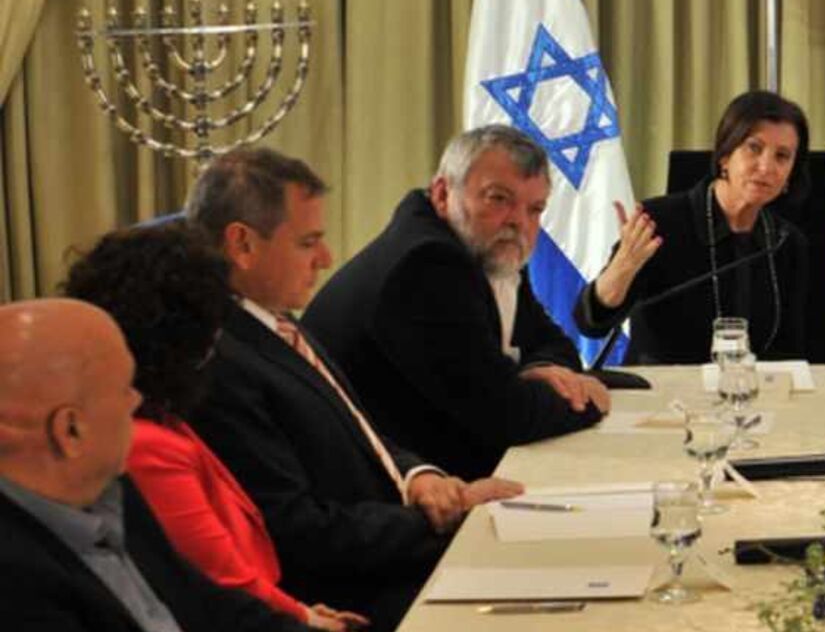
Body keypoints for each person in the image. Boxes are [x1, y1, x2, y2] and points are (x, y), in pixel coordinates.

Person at [183, 148, 522, 632]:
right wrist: (444, 516)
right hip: (355, 600)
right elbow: (298, 531)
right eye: (308, 242)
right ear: (242, 244)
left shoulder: (273, 323)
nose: (326, 258)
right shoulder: (219, 360)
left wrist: (418, 476)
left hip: (391, 559)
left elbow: (362, 435)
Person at [62, 223, 367, 631]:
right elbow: (220, 575)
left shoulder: (160, 414)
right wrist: (303, 617)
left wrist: (299, 610)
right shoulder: (145, 443)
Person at [304, 125, 609, 481]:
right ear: (442, 193)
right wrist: (585, 398)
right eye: (498, 199)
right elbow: (506, 417)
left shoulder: (489, 250)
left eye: (535, 209)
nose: (518, 222)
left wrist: (535, 372)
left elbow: (551, 343)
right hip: (382, 492)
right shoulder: (426, 265)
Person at [0, 299, 308, 632]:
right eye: (124, 388)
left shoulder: (109, 490)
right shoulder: (16, 586)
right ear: (69, 430)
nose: (136, 400)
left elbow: (209, 604)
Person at [574, 90, 811, 364]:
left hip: (751, 396)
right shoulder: (657, 223)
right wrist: (622, 268)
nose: (766, 166)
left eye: (782, 156)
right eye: (754, 148)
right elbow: (591, 324)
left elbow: (790, 352)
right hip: (663, 398)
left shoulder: (786, 242)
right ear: (725, 155)